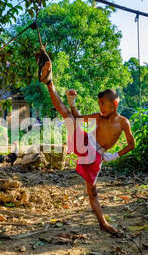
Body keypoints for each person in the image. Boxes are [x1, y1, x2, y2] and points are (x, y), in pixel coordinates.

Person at [39, 52, 135, 235]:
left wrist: (114, 155)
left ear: (114, 103)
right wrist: (71, 101)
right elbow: (77, 117)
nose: (100, 108)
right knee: (67, 116)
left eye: (103, 104)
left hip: (95, 155)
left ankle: (103, 223)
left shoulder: (123, 122)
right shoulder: (98, 117)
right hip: (85, 142)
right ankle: (49, 83)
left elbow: (132, 145)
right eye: (99, 104)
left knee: (93, 192)